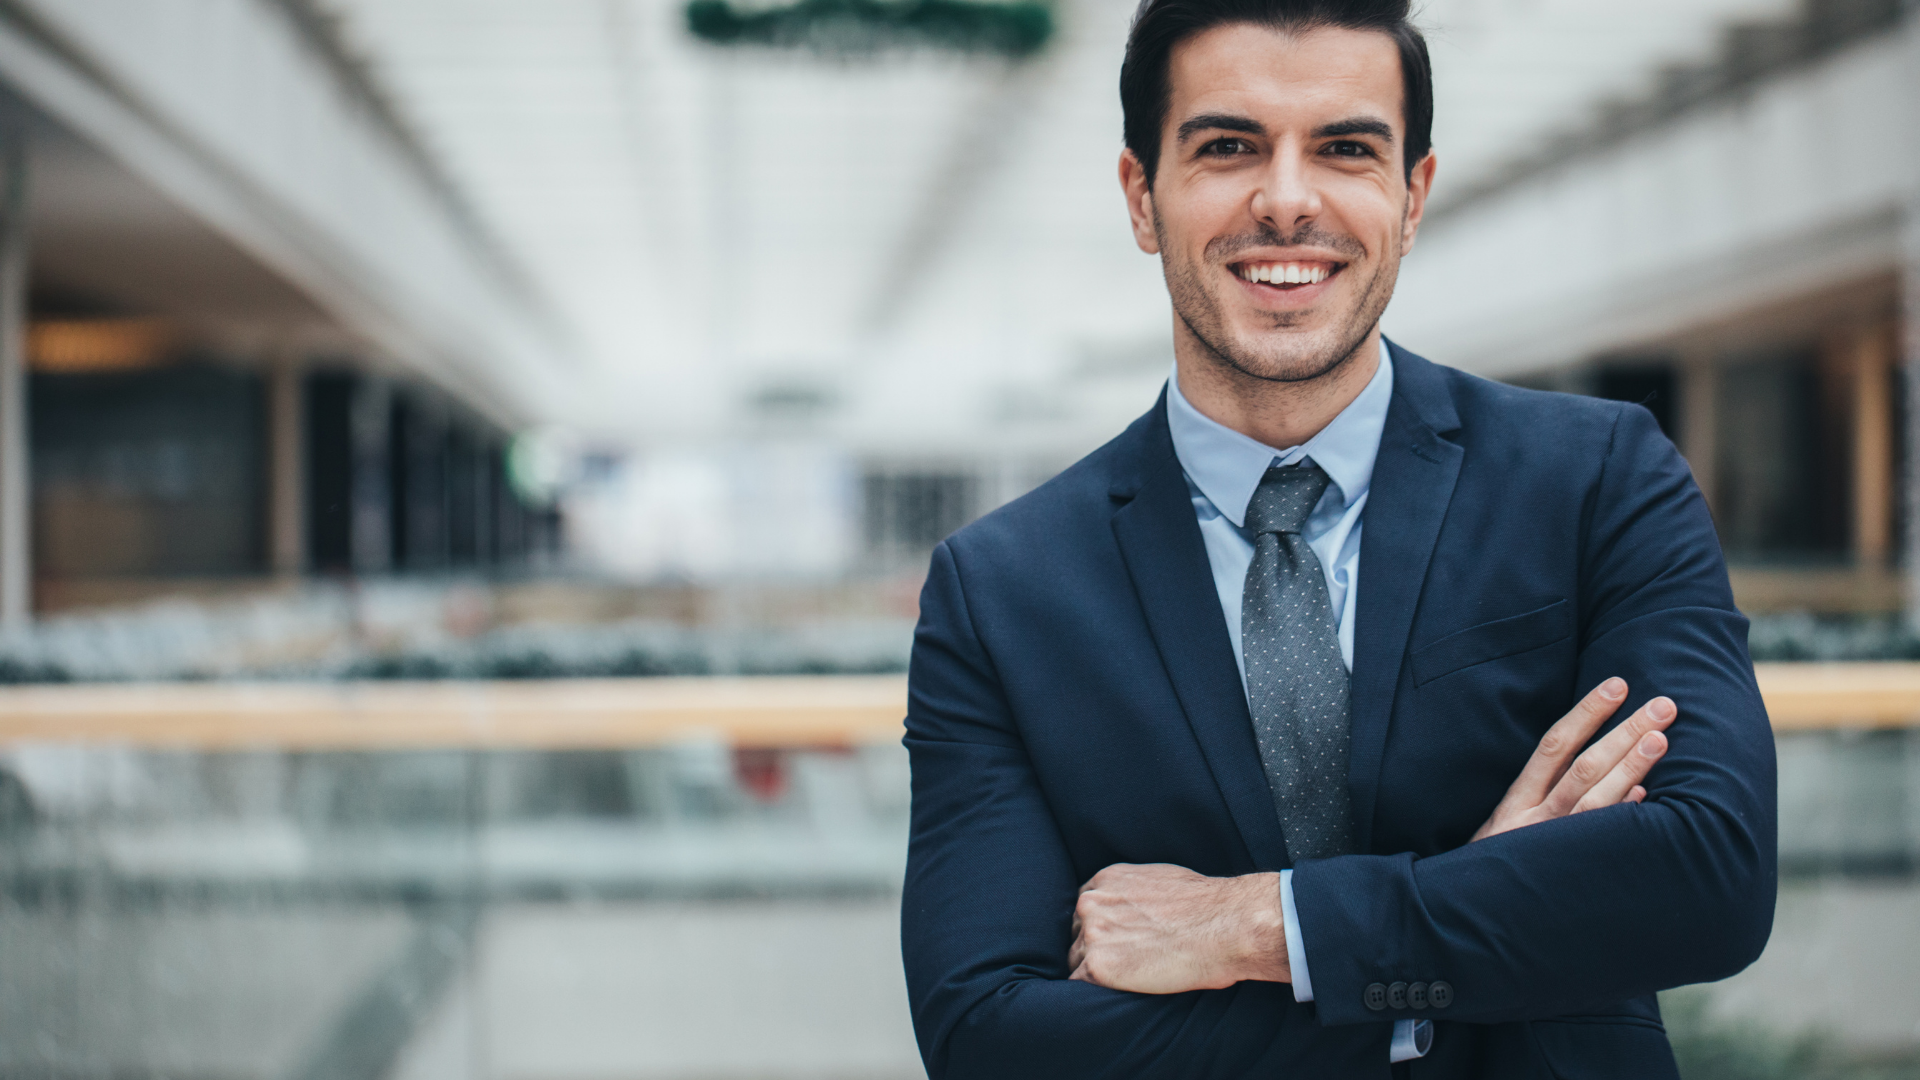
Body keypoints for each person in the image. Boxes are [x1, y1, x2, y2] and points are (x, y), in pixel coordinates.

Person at [898, 0, 1778, 1075]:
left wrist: (1257, 929)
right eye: (1227, 148)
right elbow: (988, 1038)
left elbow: (1710, 875)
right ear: (1142, 196)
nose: (1285, 200)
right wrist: (1471, 941)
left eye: (1346, 149)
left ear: (1412, 196)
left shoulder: (1597, 478)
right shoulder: (1002, 592)